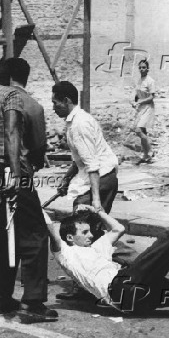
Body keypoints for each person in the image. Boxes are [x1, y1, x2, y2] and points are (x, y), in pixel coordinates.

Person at [43, 191, 169, 316]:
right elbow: (48, 223)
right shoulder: (65, 253)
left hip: (137, 301)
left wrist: (98, 212)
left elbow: (117, 229)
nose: (89, 235)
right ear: (69, 237)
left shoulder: (96, 248)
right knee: (168, 242)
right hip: (123, 288)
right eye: (83, 232)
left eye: (89, 231)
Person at [0, 63, 57, 320]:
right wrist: (16, 172)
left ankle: (3, 298)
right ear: (7, 80)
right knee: (35, 232)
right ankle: (33, 302)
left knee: (5, 233)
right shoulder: (11, 95)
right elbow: (11, 130)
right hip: (5, 169)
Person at [53, 81, 119, 234]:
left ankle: (129, 256)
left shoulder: (79, 125)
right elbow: (81, 160)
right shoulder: (76, 121)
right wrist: (67, 179)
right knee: (91, 230)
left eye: (55, 103)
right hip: (103, 177)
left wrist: (96, 200)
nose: (53, 108)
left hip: (101, 178)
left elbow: (92, 164)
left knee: (81, 228)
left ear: (66, 101)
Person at [132, 60, 155, 164]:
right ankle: (146, 156)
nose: (142, 69)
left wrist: (141, 101)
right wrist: (134, 101)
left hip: (148, 108)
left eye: (144, 67)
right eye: (140, 67)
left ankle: (150, 151)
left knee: (138, 130)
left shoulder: (150, 81)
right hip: (141, 108)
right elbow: (137, 94)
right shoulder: (139, 80)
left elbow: (151, 97)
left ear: (147, 69)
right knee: (143, 132)